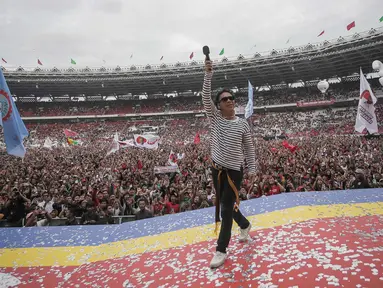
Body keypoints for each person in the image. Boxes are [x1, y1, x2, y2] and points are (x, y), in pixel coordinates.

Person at [202, 60, 257, 268]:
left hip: (234, 172)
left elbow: (249, 148)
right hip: (216, 170)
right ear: (218, 105)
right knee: (225, 205)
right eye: (225, 99)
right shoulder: (215, 119)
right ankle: (244, 224)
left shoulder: (242, 123)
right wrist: (208, 74)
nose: (230, 100)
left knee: (225, 209)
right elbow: (205, 97)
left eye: (232, 98)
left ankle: (221, 249)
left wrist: (251, 168)